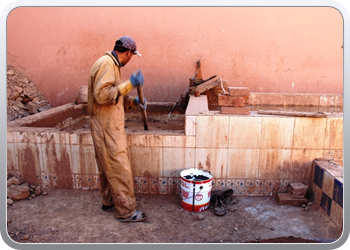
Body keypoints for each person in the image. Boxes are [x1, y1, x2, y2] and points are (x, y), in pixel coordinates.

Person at [88, 36, 147, 222]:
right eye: (132, 55)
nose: (131, 59)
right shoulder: (107, 64)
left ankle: (109, 201)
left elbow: (115, 96)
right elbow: (102, 96)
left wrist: (133, 101)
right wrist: (130, 83)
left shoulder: (112, 64)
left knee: (107, 167)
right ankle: (127, 211)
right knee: (119, 168)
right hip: (106, 128)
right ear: (128, 53)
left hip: (105, 125)